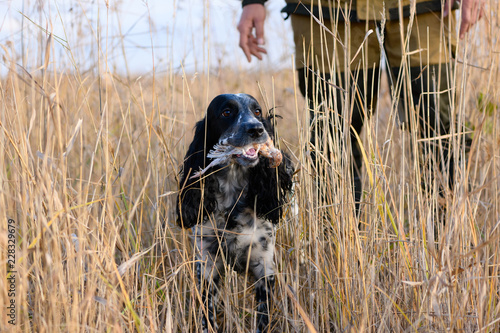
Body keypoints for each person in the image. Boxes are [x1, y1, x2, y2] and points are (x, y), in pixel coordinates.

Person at [237, 0, 484, 212]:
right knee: (332, 134)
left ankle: (447, 247)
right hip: (325, 10)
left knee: (437, 124)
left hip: (422, 8)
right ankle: (335, 251)